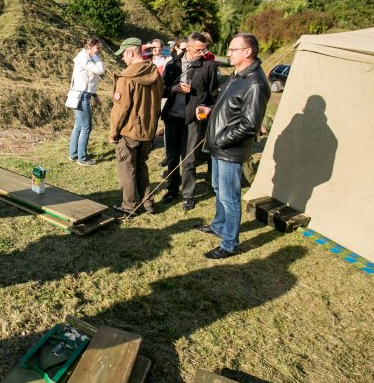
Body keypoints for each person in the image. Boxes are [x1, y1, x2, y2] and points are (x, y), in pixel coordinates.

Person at [195, 32, 270, 259]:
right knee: (219, 189)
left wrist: (221, 139)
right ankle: (219, 225)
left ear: (247, 52)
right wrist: (210, 110)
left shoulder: (255, 83)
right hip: (220, 147)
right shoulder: (237, 76)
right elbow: (226, 104)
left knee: (230, 197)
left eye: (233, 49)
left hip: (230, 149)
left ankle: (229, 243)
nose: (228, 52)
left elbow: (249, 125)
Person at [160, 32, 218, 210]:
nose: (202, 53)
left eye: (204, 49)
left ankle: (188, 195)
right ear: (188, 47)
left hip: (192, 120)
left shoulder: (208, 66)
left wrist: (201, 102)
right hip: (172, 117)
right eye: (198, 50)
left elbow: (214, 96)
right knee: (171, 156)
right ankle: (172, 189)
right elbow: (162, 90)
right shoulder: (172, 64)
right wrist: (173, 89)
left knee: (189, 159)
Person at [108, 37, 164, 215]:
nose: (123, 59)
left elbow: (121, 109)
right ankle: (148, 203)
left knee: (127, 168)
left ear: (131, 53)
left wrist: (113, 132)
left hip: (129, 131)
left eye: (123, 55)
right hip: (148, 129)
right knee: (141, 165)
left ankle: (129, 206)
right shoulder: (155, 73)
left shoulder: (127, 78)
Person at [68, 38, 104, 166]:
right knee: (86, 127)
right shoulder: (84, 58)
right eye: (97, 48)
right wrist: (97, 59)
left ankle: (73, 154)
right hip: (81, 96)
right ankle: (82, 158)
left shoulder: (84, 57)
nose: (99, 51)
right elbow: (100, 70)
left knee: (78, 126)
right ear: (90, 47)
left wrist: (94, 95)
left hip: (81, 94)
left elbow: (87, 80)